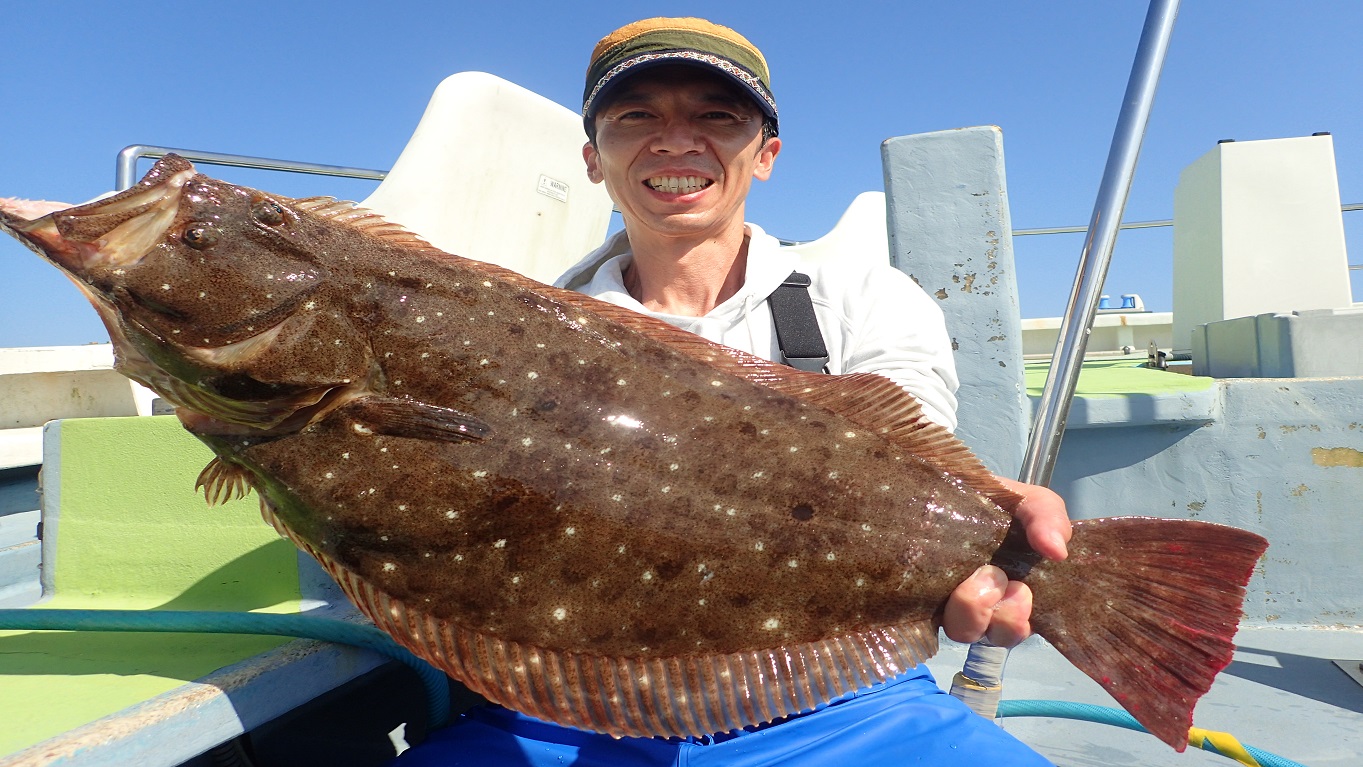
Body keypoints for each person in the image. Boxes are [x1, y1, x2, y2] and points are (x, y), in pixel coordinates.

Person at [393, 16, 1069, 766]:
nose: (676, 140)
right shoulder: (525, 324)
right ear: (593, 158)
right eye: (635, 116)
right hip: (572, 704)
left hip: (837, 702)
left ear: (767, 154)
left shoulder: (866, 298)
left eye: (716, 116)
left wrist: (989, 529)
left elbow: (911, 464)